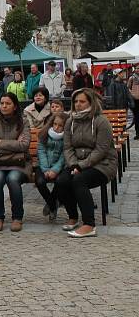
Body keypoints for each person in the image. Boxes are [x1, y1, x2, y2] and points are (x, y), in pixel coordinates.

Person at [55, 88, 118, 238]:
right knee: (62, 181)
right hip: (76, 163)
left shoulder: (101, 121)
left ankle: (89, 224)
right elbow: (68, 147)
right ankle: (73, 216)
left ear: (91, 102)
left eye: (82, 101)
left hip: (103, 164)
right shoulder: (70, 121)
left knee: (79, 180)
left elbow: (101, 150)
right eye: (75, 101)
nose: (78, 104)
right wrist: (73, 164)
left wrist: (80, 166)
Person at [0, 93, 31, 232]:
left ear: (15, 106)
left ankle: (17, 217)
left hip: (19, 163)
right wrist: (13, 146)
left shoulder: (23, 121)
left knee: (13, 179)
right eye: (2, 103)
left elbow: (24, 145)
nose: (4, 106)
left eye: (8, 103)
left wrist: (1, 143)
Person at [35, 112, 68, 222]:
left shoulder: (67, 138)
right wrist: (45, 169)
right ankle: (53, 205)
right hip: (43, 166)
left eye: (60, 125)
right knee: (40, 182)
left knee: (60, 182)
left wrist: (55, 170)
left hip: (59, 167)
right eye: (55, 124)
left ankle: (51, 203)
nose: (56, 127)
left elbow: (64, 156)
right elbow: (41, 151)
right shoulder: (45, 134)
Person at [129, 64, 139, 139]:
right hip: (135, 100)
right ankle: (138, 133)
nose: (138, 70)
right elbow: (128, 88)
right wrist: (132, 94)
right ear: (134, 69)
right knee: (136, 117)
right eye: (137, 68)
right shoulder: (132, 78)